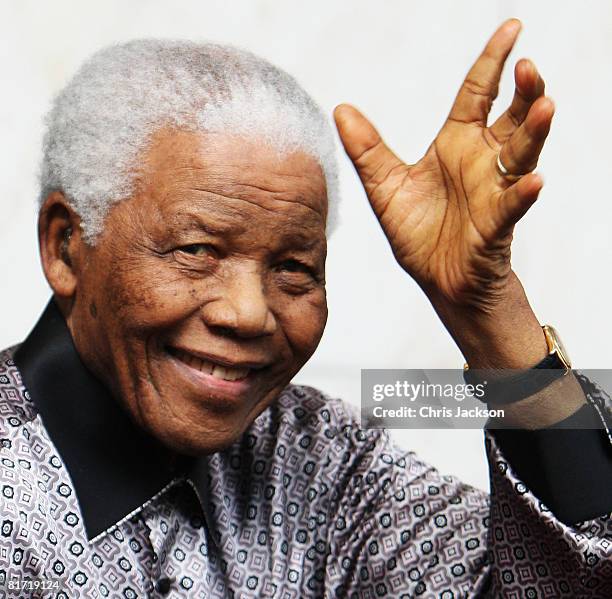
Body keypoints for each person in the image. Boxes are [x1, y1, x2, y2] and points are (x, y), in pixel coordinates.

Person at [0, 18, 610, 598]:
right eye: (197, 250)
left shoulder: (321, 464)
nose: (247, 313)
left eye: (293, 268)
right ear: (65, 245)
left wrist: (489, 316)